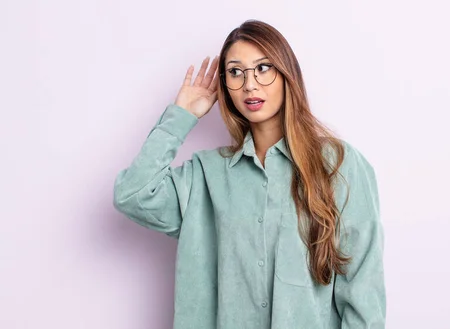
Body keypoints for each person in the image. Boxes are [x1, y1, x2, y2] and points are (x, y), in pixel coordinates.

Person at [113, 19, 386, 329]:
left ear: (287, 74)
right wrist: (181, 116)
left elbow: (364, 293)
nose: (250, 84)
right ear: (225, 86)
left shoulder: (339, 165)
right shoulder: (205, 176)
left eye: (263, 68)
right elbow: (133, 194)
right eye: (235, 72)